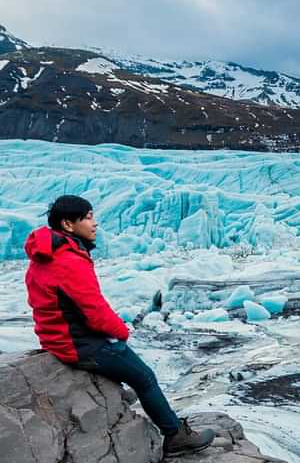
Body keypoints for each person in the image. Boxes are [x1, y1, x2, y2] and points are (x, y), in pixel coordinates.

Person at [24, 195, 214, 458]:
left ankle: (119, 400)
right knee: (145, 377)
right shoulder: (68, 261)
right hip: (79, 344)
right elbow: (95, 312)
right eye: (88, 217)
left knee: (128, 368)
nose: (95, 223)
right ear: (68, 224)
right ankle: (175, 436)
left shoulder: (44, 256)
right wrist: (121, 331)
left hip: (55, 337)